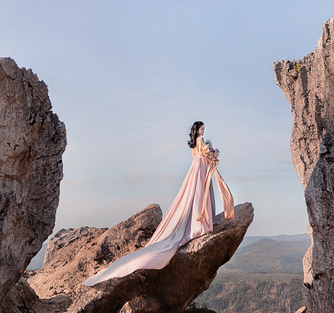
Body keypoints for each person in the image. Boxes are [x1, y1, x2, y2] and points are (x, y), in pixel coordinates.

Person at [83, 121, 234, 286]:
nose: (203, 131)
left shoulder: (193, 143)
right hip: (201, 167)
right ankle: (202, 223)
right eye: (202, 128)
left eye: (203, 129)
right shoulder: (200, 140)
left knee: (195, 194)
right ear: (197, 130)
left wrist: (209, 155)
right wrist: (211, 155)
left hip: (196, 167)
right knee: (200, 193)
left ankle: (199, 220)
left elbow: (194, 157)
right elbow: (202, 154)